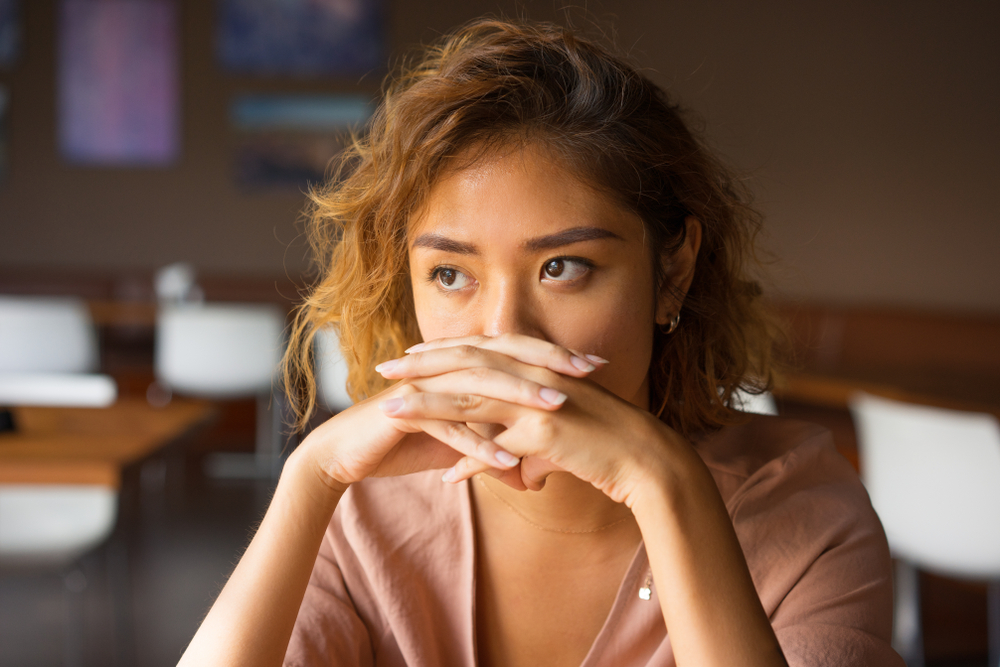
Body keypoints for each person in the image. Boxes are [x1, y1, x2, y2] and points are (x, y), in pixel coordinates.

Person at [179, 18, 902, 667]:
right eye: (450, 274)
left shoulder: (805, 512)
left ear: (673, 273)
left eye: (563, 268)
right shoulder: (362, 511)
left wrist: (667, 483)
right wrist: (309, 477)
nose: (503, 334)